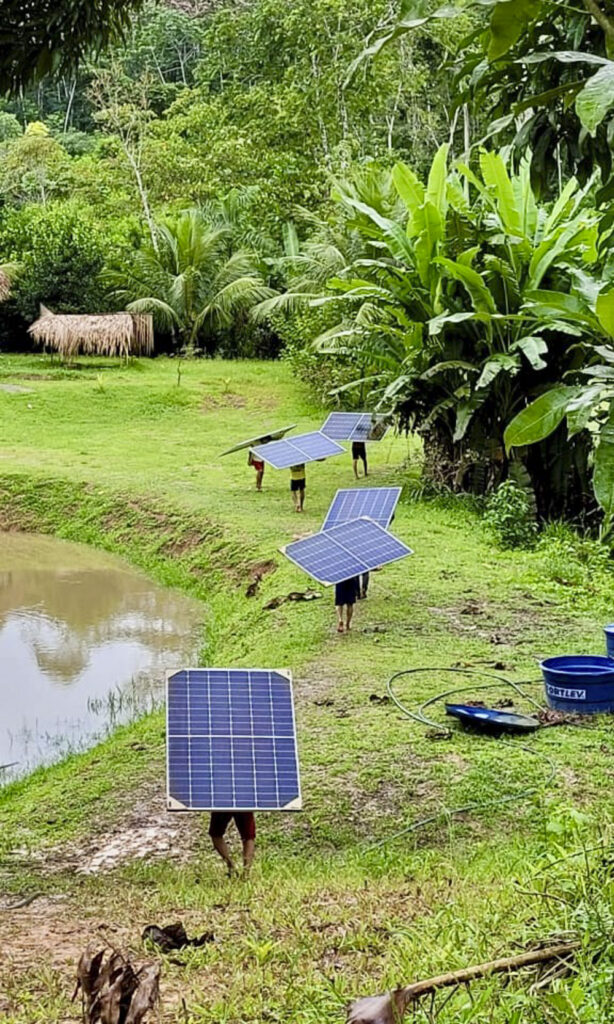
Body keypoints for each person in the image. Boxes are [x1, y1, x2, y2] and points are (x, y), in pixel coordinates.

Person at [209, 811, 256, 876]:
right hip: (242, 803)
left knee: (248, 837)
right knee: (248, 837)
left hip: (223, 803)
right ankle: (243, 873)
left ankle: (237, 870)